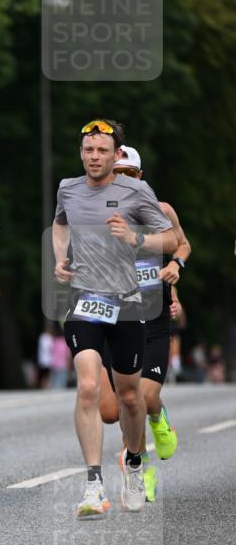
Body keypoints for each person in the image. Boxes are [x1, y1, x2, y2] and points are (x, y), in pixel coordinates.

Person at [53, 119, 178, 518]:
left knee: (129, 396)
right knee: (88, 385)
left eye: (102, 151)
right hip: (85, 301)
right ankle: (93, 484)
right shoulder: (67, 189)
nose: (94, 157)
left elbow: (171, 240)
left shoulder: (136, 191)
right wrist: (60, 257)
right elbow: (60, 224)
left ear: (115, 154)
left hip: (128, 305)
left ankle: (136, 466)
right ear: (81, 152)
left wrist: (136, 239)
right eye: (88, 150)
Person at [97, 145, 191, 502]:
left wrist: (176, 270)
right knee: (110, 411)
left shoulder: (161, 211)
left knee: (141, 396)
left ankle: (141, 463)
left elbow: (182, 246)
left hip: (152, 320)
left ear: (141, 178)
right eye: (115, 174)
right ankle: (141, 451)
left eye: (129, 175)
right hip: (114, 318)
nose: (121, 181)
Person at [50, 323, 71, 389]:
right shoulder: (64, 342)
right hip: (63, 363)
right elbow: (67, 354)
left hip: (54, 363)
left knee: (54, 380)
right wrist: (69, 362)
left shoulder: (54, 341)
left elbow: (51, 351)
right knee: (62, 381)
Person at [37, 325, 53, 389]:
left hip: (47, 358)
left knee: (46, 374)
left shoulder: (46, 337)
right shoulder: (44, 337)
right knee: (44, 374)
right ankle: (44, 386)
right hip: (45, 358)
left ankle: (45, 386)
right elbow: (49, 348)